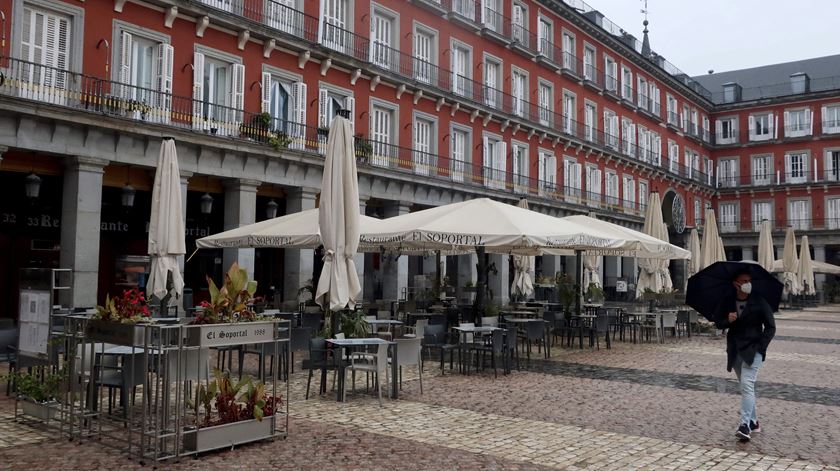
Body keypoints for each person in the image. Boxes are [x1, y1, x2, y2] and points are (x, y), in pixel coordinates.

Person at [714, 268, 776, 441]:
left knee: (747, 385)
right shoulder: (727, 301)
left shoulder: (759, 301)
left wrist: (761, 347)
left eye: (749, 280)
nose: (748, 283)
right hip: (735, 349)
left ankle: (744, 425)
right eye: (744, 280)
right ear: (735, 284)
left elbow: (771, 327)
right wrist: (728, 320)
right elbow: (717, 322)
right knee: (745, 386)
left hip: (753, 349)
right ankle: (754, 422)